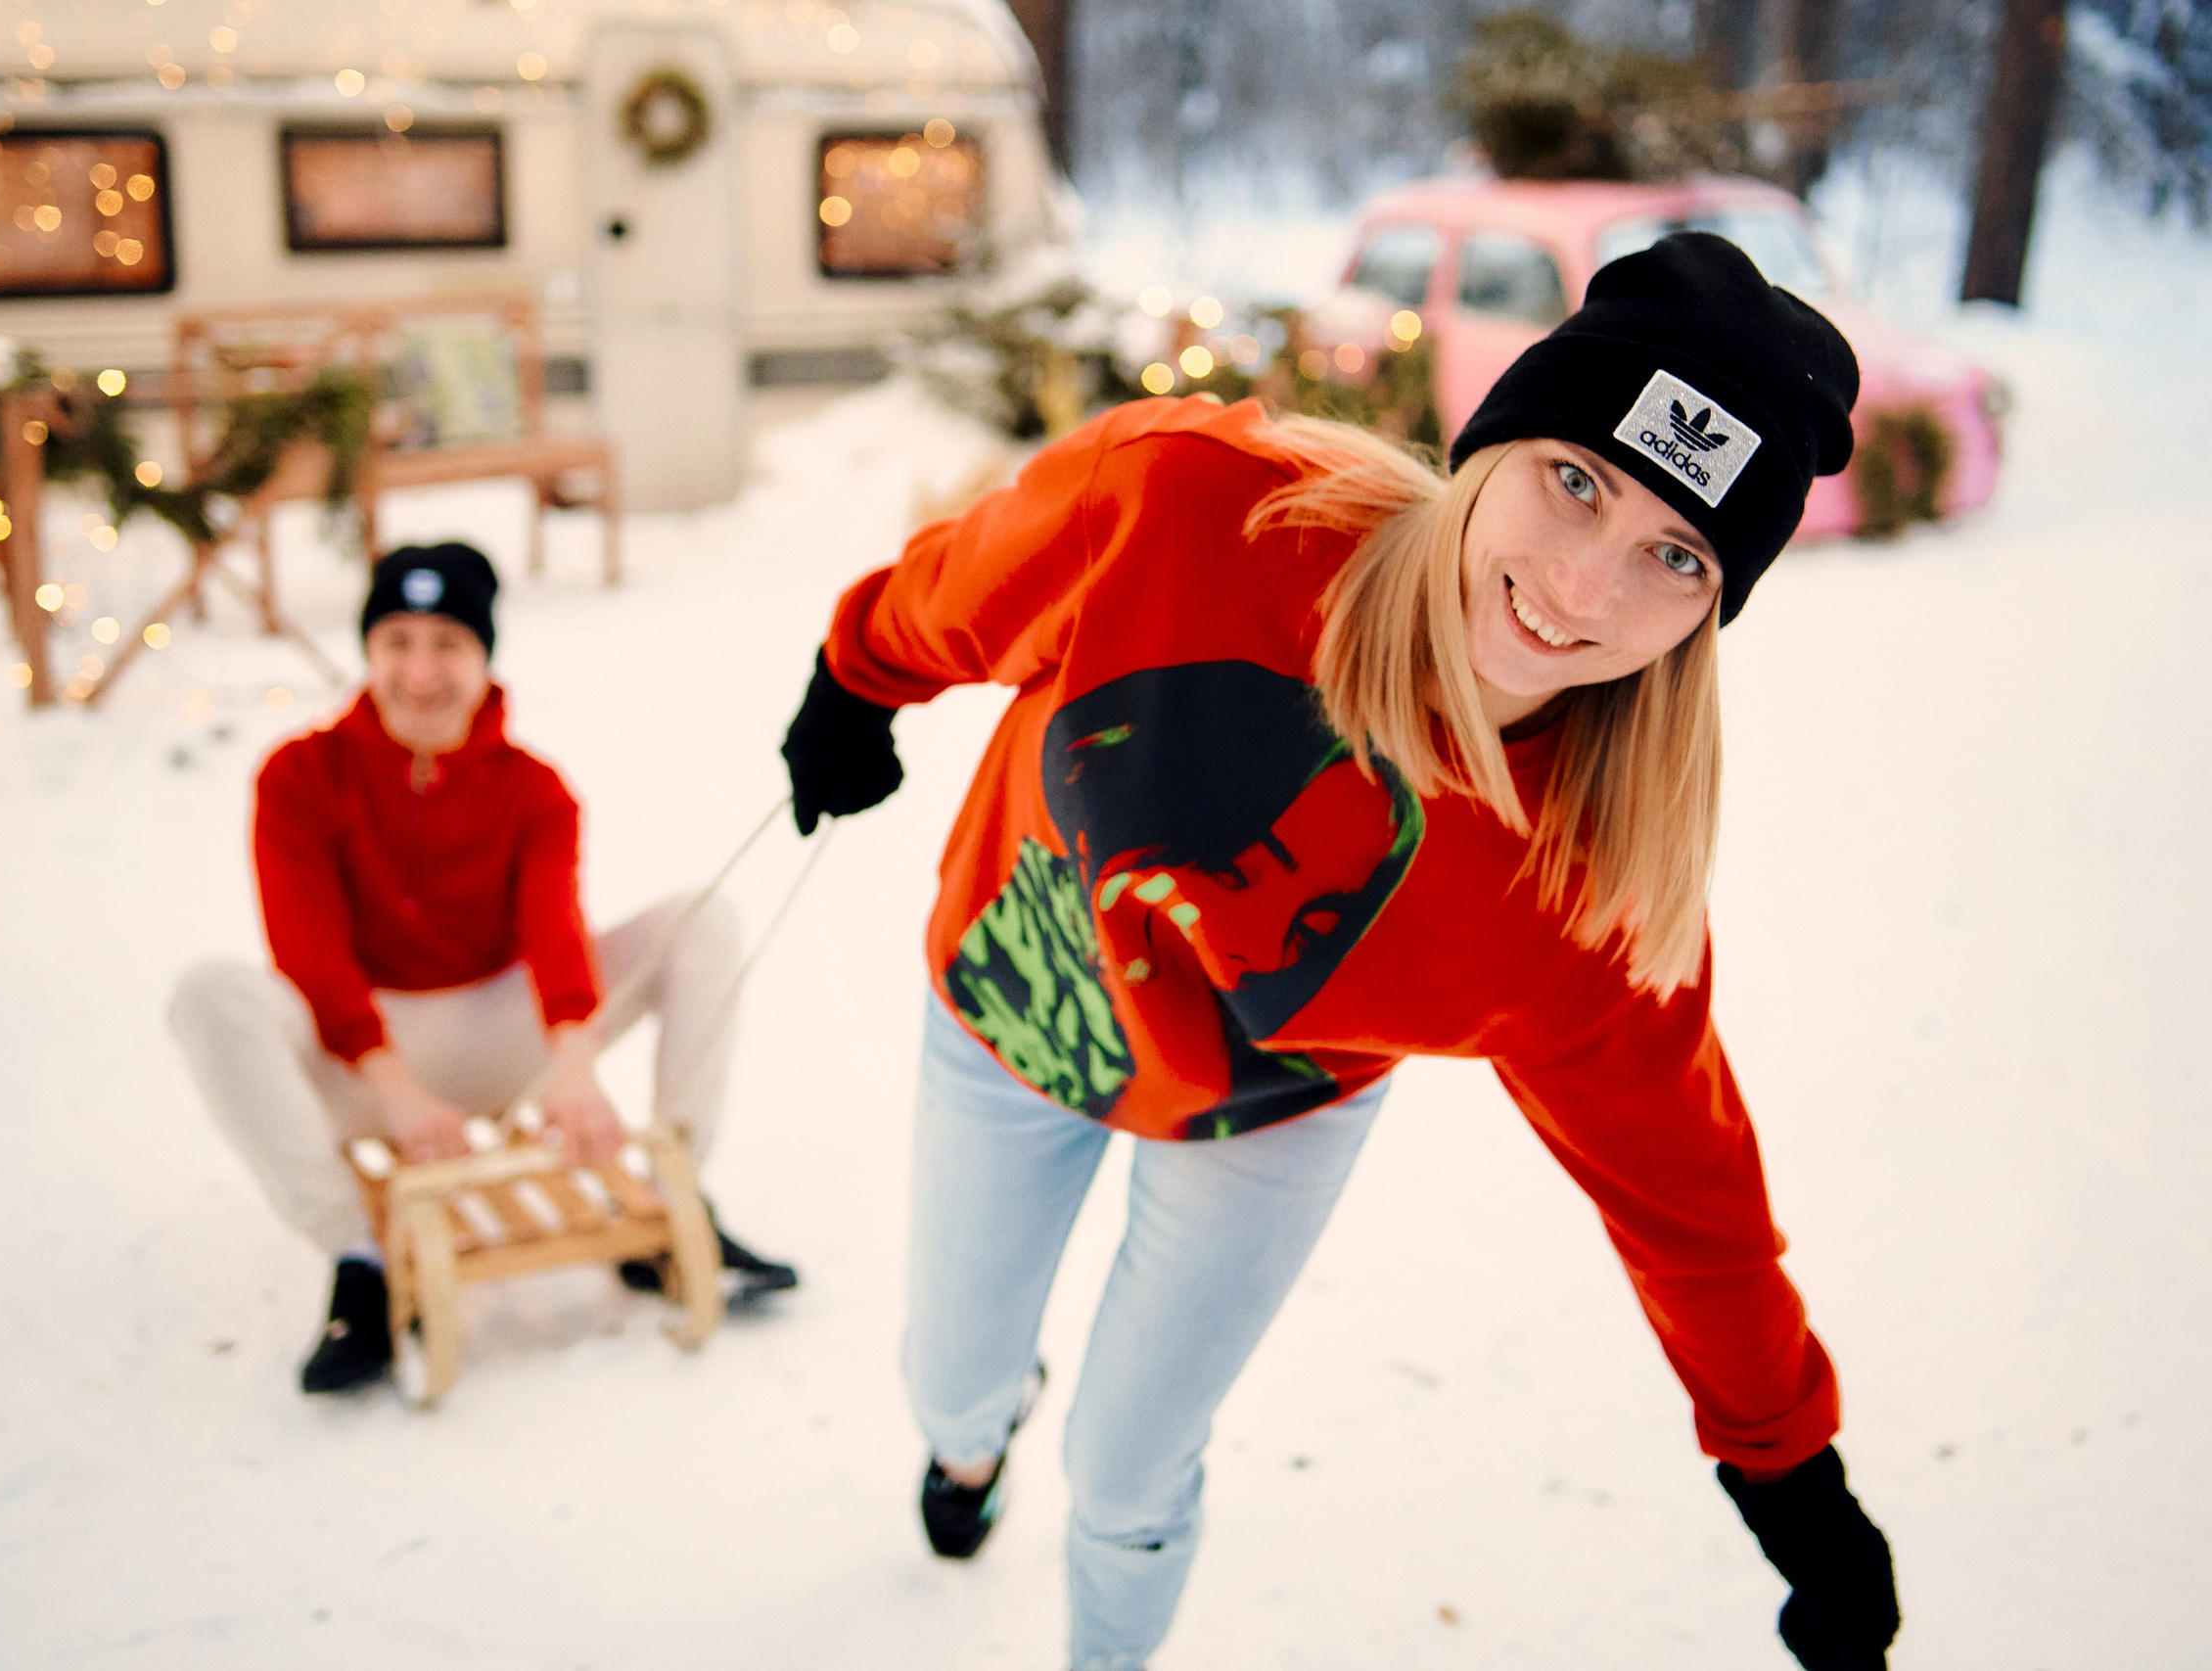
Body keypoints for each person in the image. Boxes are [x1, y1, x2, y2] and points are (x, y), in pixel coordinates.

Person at [781, 235, 1901, 1670]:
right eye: (1577, 480)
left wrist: (1791, 1474)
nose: (1581, 589)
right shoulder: (1194, 512)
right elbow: (975, 573)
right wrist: (857, 677)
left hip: (1267, 1108)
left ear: (1708, 611)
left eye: (1674, 556)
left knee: (1130, 1472)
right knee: (952, 1370)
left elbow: (1689, 1194)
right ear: (1491, 444)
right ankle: (969, 1437)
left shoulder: (1586, 890)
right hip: (1025, 1000)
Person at [171, 541, 795, 1397]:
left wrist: (573, 1067)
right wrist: (395, 1092)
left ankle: (674, 1199)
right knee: (209, 994)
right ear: (368, 652)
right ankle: (358, 1258)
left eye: (447, 645)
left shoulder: (532, 788)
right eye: (397, 642)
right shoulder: (300, 776)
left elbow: (554, 928)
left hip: (502, 1034)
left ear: (483, 657)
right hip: (367, 1056)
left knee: (702, 917)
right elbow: (306, 951)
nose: (421, 671)